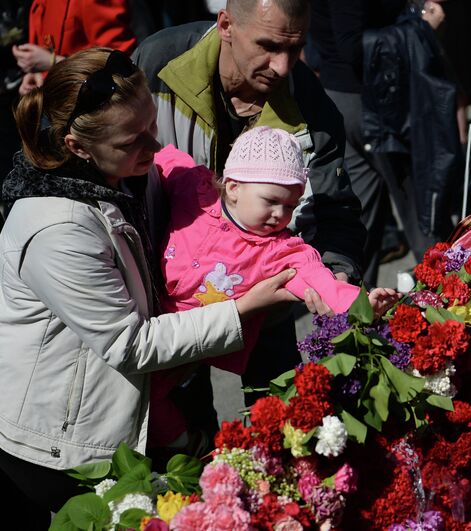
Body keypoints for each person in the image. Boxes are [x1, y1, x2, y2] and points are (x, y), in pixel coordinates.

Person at [0, 47, 299, 526]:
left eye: (152, 125)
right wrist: (241, 308)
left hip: (147, 404)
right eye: (132, 139)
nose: (155, 145)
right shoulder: (58, 227)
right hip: (65, 443)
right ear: (78, 147)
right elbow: (129, 342)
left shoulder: (131, 175)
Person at [132, 0, 367, 434]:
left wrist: (334, 279)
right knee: (181, 436)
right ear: (225, 25)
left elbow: (335, 211)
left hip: (268, 298)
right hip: (169, 300)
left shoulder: (312, 107)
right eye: (268, 45)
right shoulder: (159, 63)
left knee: (281, 428)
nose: (281, 66)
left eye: (295, 50)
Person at [149, 126, 398, 455]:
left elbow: (318, 280)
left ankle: (194, 450)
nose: (281, 215)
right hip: (161, 331)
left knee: (163, 402)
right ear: (234, 187)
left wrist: (362, 304)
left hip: (208, 340)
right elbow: (163, 160)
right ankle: (188, 446)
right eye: (271, 201)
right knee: (147, 401)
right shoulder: (194, 190)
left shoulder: (281, 252)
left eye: (291, 206)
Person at [310, 0, 460, 286]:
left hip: (344, 99)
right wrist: (422, 26)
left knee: (357, 227)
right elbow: (351, 45)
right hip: (372, 104)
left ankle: (350, 320)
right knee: (425, 218)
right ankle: (454, 309)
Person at [12, 0, 137, 95]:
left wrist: (53, 62)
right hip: (57, 103)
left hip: (92, 112)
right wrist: (36, 72)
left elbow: (120, 64)